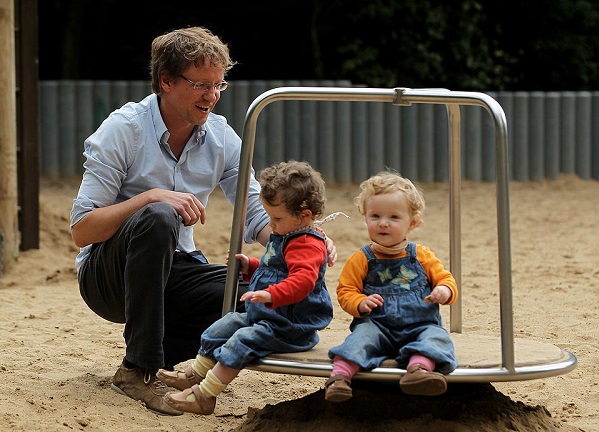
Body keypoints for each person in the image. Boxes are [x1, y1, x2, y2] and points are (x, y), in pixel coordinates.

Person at [69, 27, 336, 416]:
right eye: (200, 85)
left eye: (219, 85)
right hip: (107, 278)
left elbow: (255, 213)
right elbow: (82, 231)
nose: (212, 96)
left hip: (175, 268)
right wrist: (151, 196)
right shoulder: (123, 130)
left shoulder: (223, 138)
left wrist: (303, 235)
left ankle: (165, 362)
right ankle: (136, 370)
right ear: (166, 81)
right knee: (158, 215)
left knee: (253, 291)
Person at [155, 160, 334, 415]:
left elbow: (303, 280)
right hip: (267, 315)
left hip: (291, 325)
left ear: (304, 215)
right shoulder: (287, 234)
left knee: (240, 340)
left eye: (276, 218)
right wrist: (250, 266)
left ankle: (205, 395)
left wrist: (271, 294)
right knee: (222, 326)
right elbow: (276, 266)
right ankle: (195, 374)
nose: (270, 224)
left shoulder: (307, 243)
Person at [324, 170, 458, 403]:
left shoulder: (422, 255)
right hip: (377, 325)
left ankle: (418, 371)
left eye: (394, 218)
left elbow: (446, 280)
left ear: (412, 223)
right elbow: (346, 291)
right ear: (365, 218)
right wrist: (361, 302)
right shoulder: (362, 258)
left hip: (420, 325)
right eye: (375, 216)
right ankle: (340, 378)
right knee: (359, 339)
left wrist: (443, 292)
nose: (383, 223)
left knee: (437, 337)